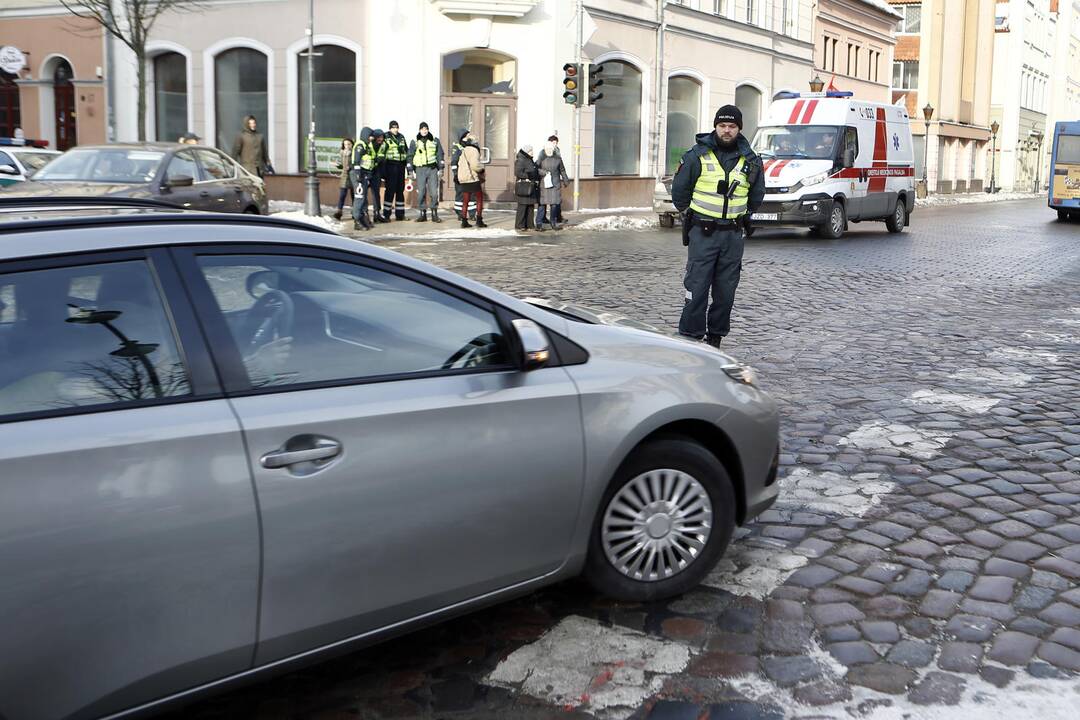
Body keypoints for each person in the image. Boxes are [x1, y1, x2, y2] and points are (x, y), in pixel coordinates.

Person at [671, 104, 764, 348]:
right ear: (715, 127)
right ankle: (691, 336)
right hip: (703, 233)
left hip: (732, 235)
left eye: (732, 126)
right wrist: (689, 216)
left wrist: (743, 215)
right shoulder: (696, 156)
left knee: (726, 292)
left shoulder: (751, 160)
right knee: (697, 288)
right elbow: (680, 192)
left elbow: (757, 195)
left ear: (739, 129)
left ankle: (715, 337)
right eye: (722, 125)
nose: (726, 130)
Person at [407, 122, 444, 223]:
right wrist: (410, 170)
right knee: (421, 192)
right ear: (419, 130)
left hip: (432, 169)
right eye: (422, 129)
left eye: (426, 129)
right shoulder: (414, 141)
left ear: (428, 130)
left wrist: (441, 168)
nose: (424, 131)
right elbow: (409, 156)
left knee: (434, 193)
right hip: (420, 169)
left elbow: (440, 154)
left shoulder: (435, 140)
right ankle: (422, 214)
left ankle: (434, 214)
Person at [537, 137, 570, 230]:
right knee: (542, 204)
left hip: (555, 184)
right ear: (545, 149)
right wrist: (543, 172)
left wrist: (565, 180)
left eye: (550, 149)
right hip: (544, 183)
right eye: (547, 149)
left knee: (554, 204)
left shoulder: (558, 159)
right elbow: (536, 169)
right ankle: (539, 223)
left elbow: (562, 170)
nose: (549, 150)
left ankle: (553, 222)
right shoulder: (541, 158)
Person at [456, 130, 487, 228]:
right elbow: (475, 165)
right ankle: (479, 220)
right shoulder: (473, 150)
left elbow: (460, 164)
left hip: (463, 178)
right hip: (472, 178)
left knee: (466, 200)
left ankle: (464, 221)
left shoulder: (464, 150)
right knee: (479, 198)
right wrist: (481, 170)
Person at [382, 120, 409, 221]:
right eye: (393, 128)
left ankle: (400, 214)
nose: (395, 129)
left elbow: (406, 150)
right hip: (390, 166)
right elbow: (382, 152)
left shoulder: (401, 137)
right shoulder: (386, 137)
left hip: (401, 166)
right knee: (390, 190)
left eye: (397, 127)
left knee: (400, 190)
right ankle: (386, 214)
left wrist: (408, 166)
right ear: (390, 128)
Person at [350, 127, 375, 231]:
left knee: (363, 198)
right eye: (370, 136)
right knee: (359, 197)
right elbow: (356, 161)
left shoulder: (366, 145)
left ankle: (362, 218)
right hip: (358, 174)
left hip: (363, 174)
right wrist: (358, 174)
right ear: (365, 135)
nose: (371, 138)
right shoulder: (360, 145)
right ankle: (357, 221)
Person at [450, 130, 476, 221]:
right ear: (462, 137)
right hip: (461, 174)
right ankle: (460, 213)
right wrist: (456, 174)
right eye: (467, 136)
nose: (469, 137)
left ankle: (472, 214)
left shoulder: (472, 145)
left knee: (472, 194)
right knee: (460, 194)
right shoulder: (457, 147)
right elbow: (454, 162)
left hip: (471, 174)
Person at [514, 144, 540, 231]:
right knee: (523, 206)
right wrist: (529, 175)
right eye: (530, 151)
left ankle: (530, 224)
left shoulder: (529, 159)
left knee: (530, 206)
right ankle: (520, 225)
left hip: (531, 186)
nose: (532, 152)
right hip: (524, 186)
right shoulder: (521, 160)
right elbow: (518, 173)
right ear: (526, 152)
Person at [367, 128, 387, 222]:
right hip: (367, 171)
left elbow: (382, 157)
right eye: (378, 137)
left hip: (377, 172)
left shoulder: (383, 146)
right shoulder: (369, 144)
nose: (380, 139)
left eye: (382, 137)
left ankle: (377, 214)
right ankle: (364, 214)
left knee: (376, 194)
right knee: (363, 194)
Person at [333, 137, 354, 221]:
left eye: (348, 144)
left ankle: (354, 212)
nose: (347, 146)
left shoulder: (354, 153)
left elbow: (357, 163)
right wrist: (337, 165)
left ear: (352, 144)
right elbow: (342, 165)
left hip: (352, 175)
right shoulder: (342, 153)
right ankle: (339, 212)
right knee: (342, 195)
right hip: (344, 175)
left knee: (354, 196)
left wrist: (351, 167)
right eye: (345, 144)